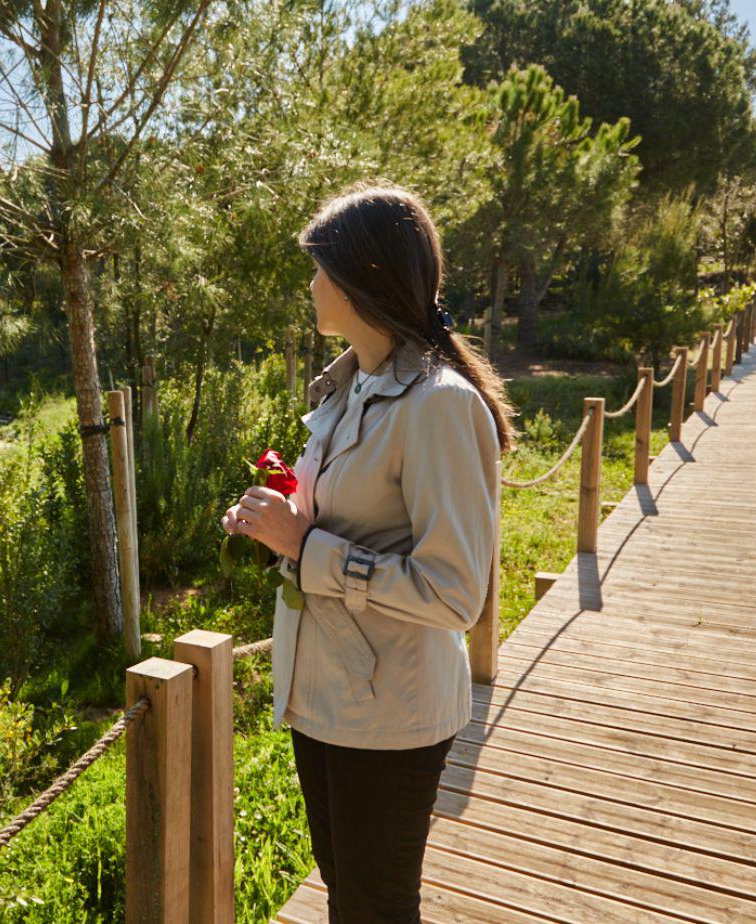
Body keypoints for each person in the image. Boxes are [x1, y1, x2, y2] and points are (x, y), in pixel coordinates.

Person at [220, 180, 516, 922]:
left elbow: (456, 593)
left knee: (374, 909)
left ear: (361, 279)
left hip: (392, 716)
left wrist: (308, 547)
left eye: (321, 267)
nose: (312, 283)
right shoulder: (349, 389)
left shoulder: (441, 407)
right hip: (326, 700)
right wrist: (279, 520)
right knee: (349, 897)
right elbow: (340, 525)